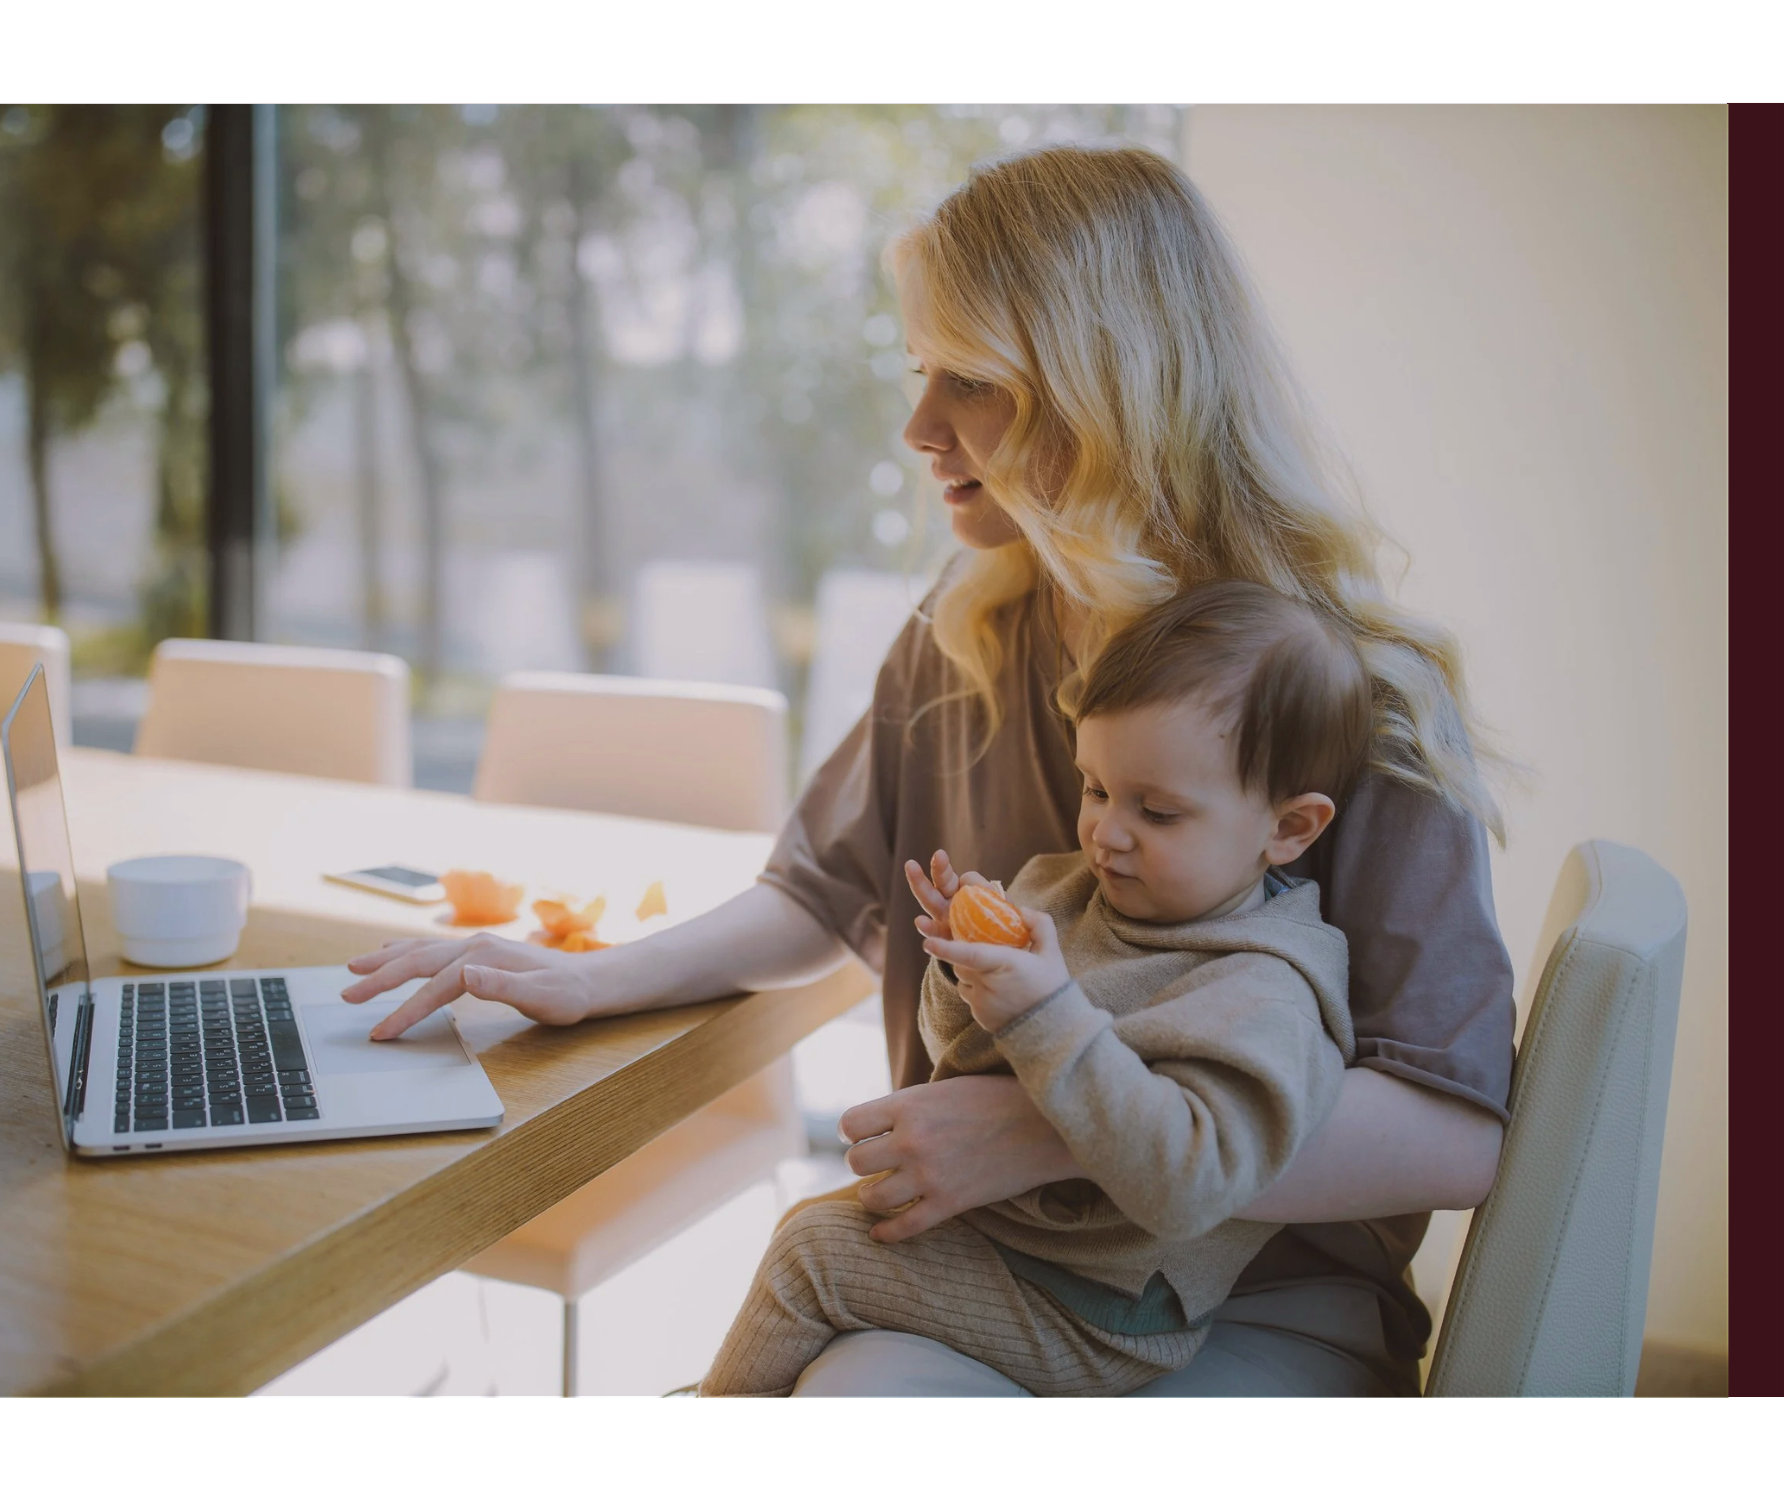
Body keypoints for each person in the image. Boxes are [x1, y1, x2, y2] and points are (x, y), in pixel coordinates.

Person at [341, 144, 1515, 1399]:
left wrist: (1046, 1131)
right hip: (997, 1258)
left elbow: (1450, 1133)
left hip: (1252, 1301)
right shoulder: (966, 629)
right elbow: (820, 892)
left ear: (1104, 388)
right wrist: (595, 977)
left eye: (971, 381)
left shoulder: (1349, 696)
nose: (917, 429)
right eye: (918, 373)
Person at [700, 581, 1369, 1398]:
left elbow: (1191, 1182)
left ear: (1289, 828)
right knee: (819, 1226)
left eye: (1157, 812)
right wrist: (966, 971)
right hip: (1010, 1242)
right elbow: (965, 1058)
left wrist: (1047, 1013)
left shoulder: (1265, 987)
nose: (1104, 834)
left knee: (812, 1258)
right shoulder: (1069, 890)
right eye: (1095, 789)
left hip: (1100, 1310)